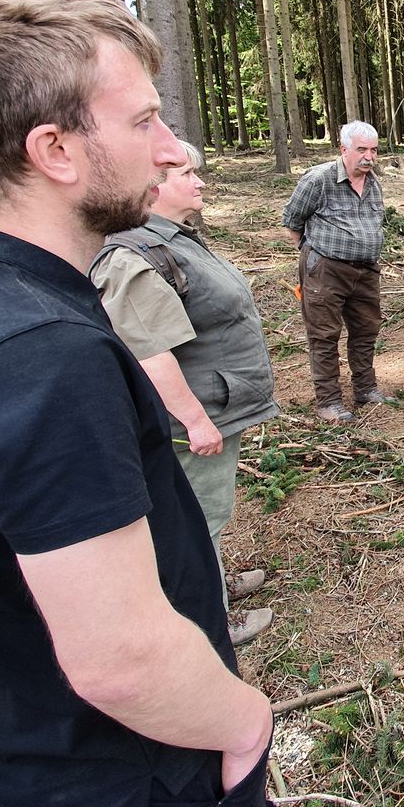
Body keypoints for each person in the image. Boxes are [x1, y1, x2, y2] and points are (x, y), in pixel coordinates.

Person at [0, 0, 309, 807]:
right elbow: (122, 659)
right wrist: (246, 721)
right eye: (143, 122)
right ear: (56, 151)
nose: (171, 149)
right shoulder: (38, 357)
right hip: (120, 789)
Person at [91, 140, 279, 647]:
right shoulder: (132, 254)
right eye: (188, 176)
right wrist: (195, 420)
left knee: (206, 513)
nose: (200, 183)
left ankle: (214, 581)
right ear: (153, 187)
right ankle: (209, 616)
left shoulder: (171, 239)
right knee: (197, 520)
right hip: (191, 420)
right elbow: (150, 353)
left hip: (215, 404)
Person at [281, 121, 386, 424]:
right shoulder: (319, 179)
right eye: (362, 149)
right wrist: (314, 253)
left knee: (366, 331)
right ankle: (328, 401)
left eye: (374, 150)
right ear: (344, 149)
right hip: (326, 270)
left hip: (366, 271)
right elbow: (291, 222)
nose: (369, 156)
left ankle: (365, 388)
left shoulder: (373, 183)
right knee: (324, 335)